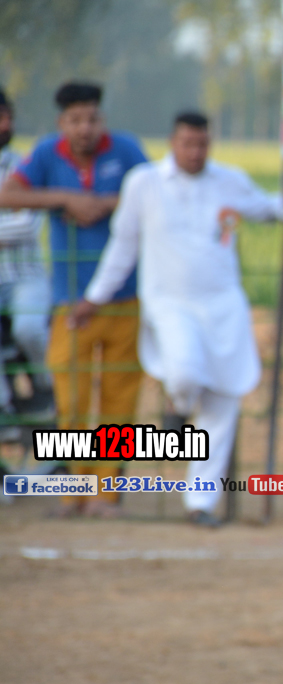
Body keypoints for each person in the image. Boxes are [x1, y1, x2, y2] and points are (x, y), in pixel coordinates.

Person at [69, 112, 277, 526]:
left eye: (202, 144)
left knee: (223, 402)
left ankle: (200, 504)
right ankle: (176, 405)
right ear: (172, 142)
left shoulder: (229, 180)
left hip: (224, 306)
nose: (195, 152)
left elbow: (270, 207)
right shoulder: (144, 183)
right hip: (170, 305)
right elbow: (123, 246)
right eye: (188, 144)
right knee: (183, 372)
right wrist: (95, 296)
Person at [0, 82, 147, 518]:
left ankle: (107, 494)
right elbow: (7, 194)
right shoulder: (47, 154)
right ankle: (74, 491)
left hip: (126, 296)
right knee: (72, 399)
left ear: (103, 119)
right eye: (75, 120)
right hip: (69, 299)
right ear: (61, 123)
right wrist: (64, 199)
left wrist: (106, 203)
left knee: (119, 400)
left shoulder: (126, 150)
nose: (85, 128)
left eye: (92, 118)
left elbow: (157, 192)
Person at [0, 88, 52, 428]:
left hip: (26, 275)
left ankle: (46, 387)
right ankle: (4, 406)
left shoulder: (26, 166)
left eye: (8, 117)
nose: (6, 124)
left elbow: (29, 225)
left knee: (30, 329)